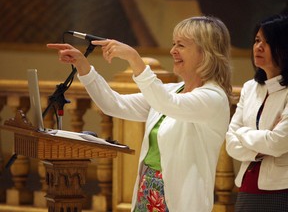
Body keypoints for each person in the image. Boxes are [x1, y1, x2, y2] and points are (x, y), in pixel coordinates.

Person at [47, 16, 232, 212]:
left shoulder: (213, 98)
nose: (172, 51)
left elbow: (167, 104)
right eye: (173, 44)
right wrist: (83, 66)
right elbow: (114, 104)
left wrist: (135, 59)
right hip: (148, 191)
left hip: (181, 201)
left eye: (181, 45)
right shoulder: (171, 91)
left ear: (206, 52)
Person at [226, 14, 288, 211]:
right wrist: (263, 139)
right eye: (257, 40)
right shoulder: (249, 88)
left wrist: (243, 134)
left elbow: (278, 142)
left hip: (281, 190)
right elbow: (230, 143)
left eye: (268, 42)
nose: (258, 47)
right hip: (246, 186)